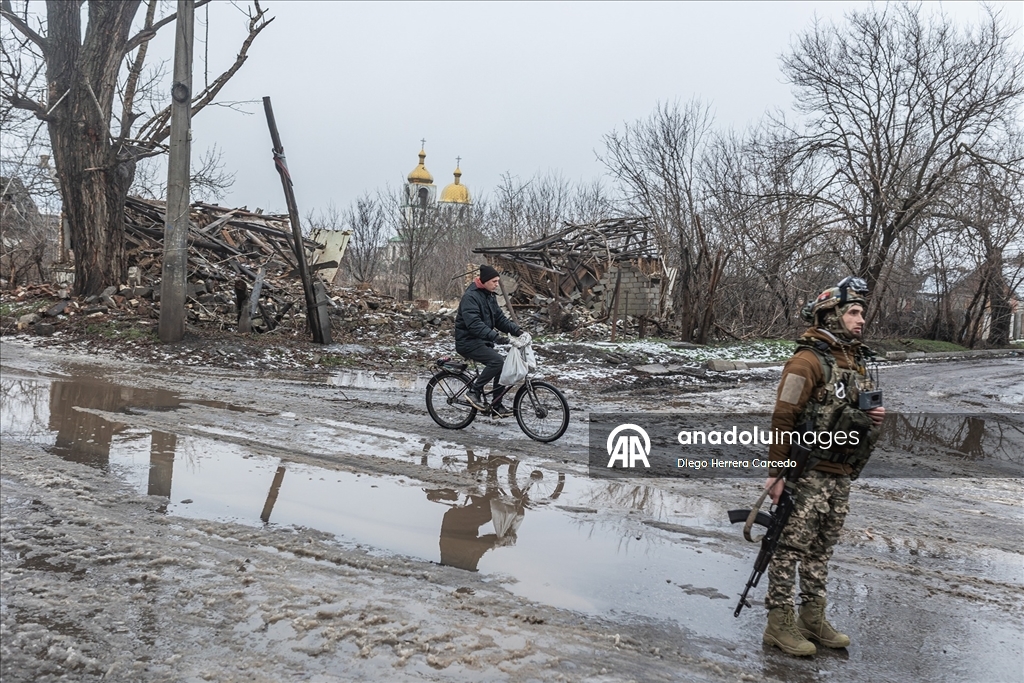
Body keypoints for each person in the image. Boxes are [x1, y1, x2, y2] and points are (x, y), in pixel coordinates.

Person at [762, 276, 886, 657]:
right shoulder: (806, 361)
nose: (860, 318)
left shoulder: (857, 360)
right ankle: (778, 623)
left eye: (861, 311)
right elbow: (784, 417)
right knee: (789, 547)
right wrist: (776, 473)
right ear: (830, 315)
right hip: (808, 472)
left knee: (820, 549)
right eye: (852, 311)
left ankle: (812, 618)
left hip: (839, 473)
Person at [454, 264, 523, 418]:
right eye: (494, 281)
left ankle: (496, 405)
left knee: (502, 365)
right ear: (484, 281)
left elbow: (499, 319)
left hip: (481, 341)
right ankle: (474, 391)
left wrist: (517, 330)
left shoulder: (489, 295)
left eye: (498, 281)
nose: (497, 284)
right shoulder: (470, 297)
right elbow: (474, 324)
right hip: (467, 341)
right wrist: (494, 337)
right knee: (497, 362)